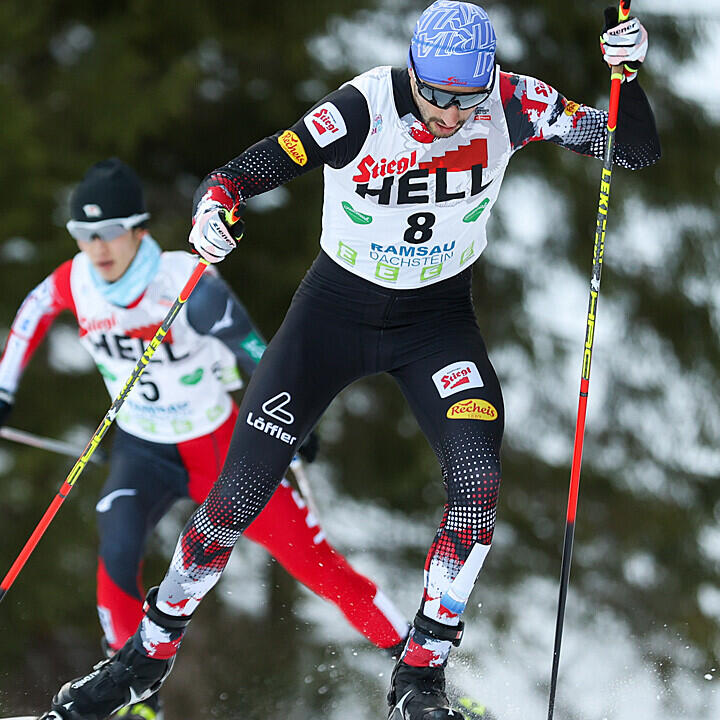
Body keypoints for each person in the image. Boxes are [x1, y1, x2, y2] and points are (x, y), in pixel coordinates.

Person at [37, 3, 660, 719]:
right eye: (436, 96)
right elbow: (261, 162)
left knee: (478, 487)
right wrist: (217, 204)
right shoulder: (366, 105)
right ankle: (145, 656)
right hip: (331, 318)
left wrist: (628, 76)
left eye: (467, 98)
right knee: (232, 504)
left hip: (437, 323)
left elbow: (630, 149)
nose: (451, 115)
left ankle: (421, 675)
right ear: (413, 74)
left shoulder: (516, 100)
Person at [0, 159, 410, 720]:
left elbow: (259, 352)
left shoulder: (186, 280)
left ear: (139, 229)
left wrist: (294, 418)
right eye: (84, 235)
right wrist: (3, 390)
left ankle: (419, 673)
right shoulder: (73, 281)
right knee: (116, 551)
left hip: (222, 447)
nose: (97, 248)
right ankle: (138, 703)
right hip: (143, 451)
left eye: (110, 232)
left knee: (315, 564)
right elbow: (31, 313)